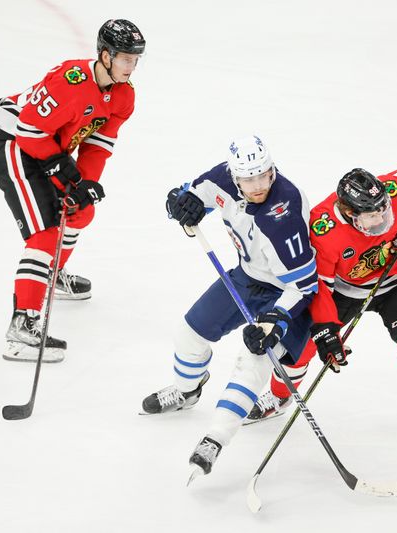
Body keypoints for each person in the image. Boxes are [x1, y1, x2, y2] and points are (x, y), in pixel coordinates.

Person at [244, 167, 397, 465]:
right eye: (370, 217)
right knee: (301, 348)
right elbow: (320, 287)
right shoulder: (323, 231)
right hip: (346, 290)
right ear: (348, 213)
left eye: (383, 211)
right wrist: (326, 331)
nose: (381, 221)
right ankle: (279, 395)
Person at [141, 135, 318, 480]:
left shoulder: (284, 214)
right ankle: (188, 390)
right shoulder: (223, 177)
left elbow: (304, 285)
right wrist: (180, 203)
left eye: (263, 175)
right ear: (235, 176)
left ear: (272, 170)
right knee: (188, 334)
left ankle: (214, 439)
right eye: (248, 178)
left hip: (286, 296)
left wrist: (275, 322)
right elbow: (192, 195)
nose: (257, 186)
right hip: (246, 277)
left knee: (252, 361)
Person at [0, 19, 145, 363]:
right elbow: (28, 131)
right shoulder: (69, 81)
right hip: (13, 140)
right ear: (105, 55)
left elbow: (98, 145)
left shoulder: (124, 96)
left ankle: (51, 274)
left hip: (45, 146)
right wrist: (66, 173)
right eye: (126, 59)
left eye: (135, 60)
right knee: (45, 232)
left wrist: (82, 185)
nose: (132, 66)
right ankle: (20, 329)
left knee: (80, 211)